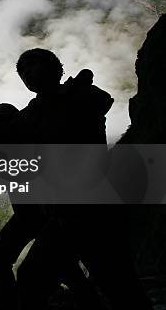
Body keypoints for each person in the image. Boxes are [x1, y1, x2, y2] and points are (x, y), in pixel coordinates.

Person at [9, 48, 151, 310]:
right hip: (63, 214)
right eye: (22, 71)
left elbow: (97, 106)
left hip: (94, 211)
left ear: (54, 67)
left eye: (33, 66)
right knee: (32, 277)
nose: (27, 74)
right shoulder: (33, 112)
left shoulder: (83, 96)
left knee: (119, 285)